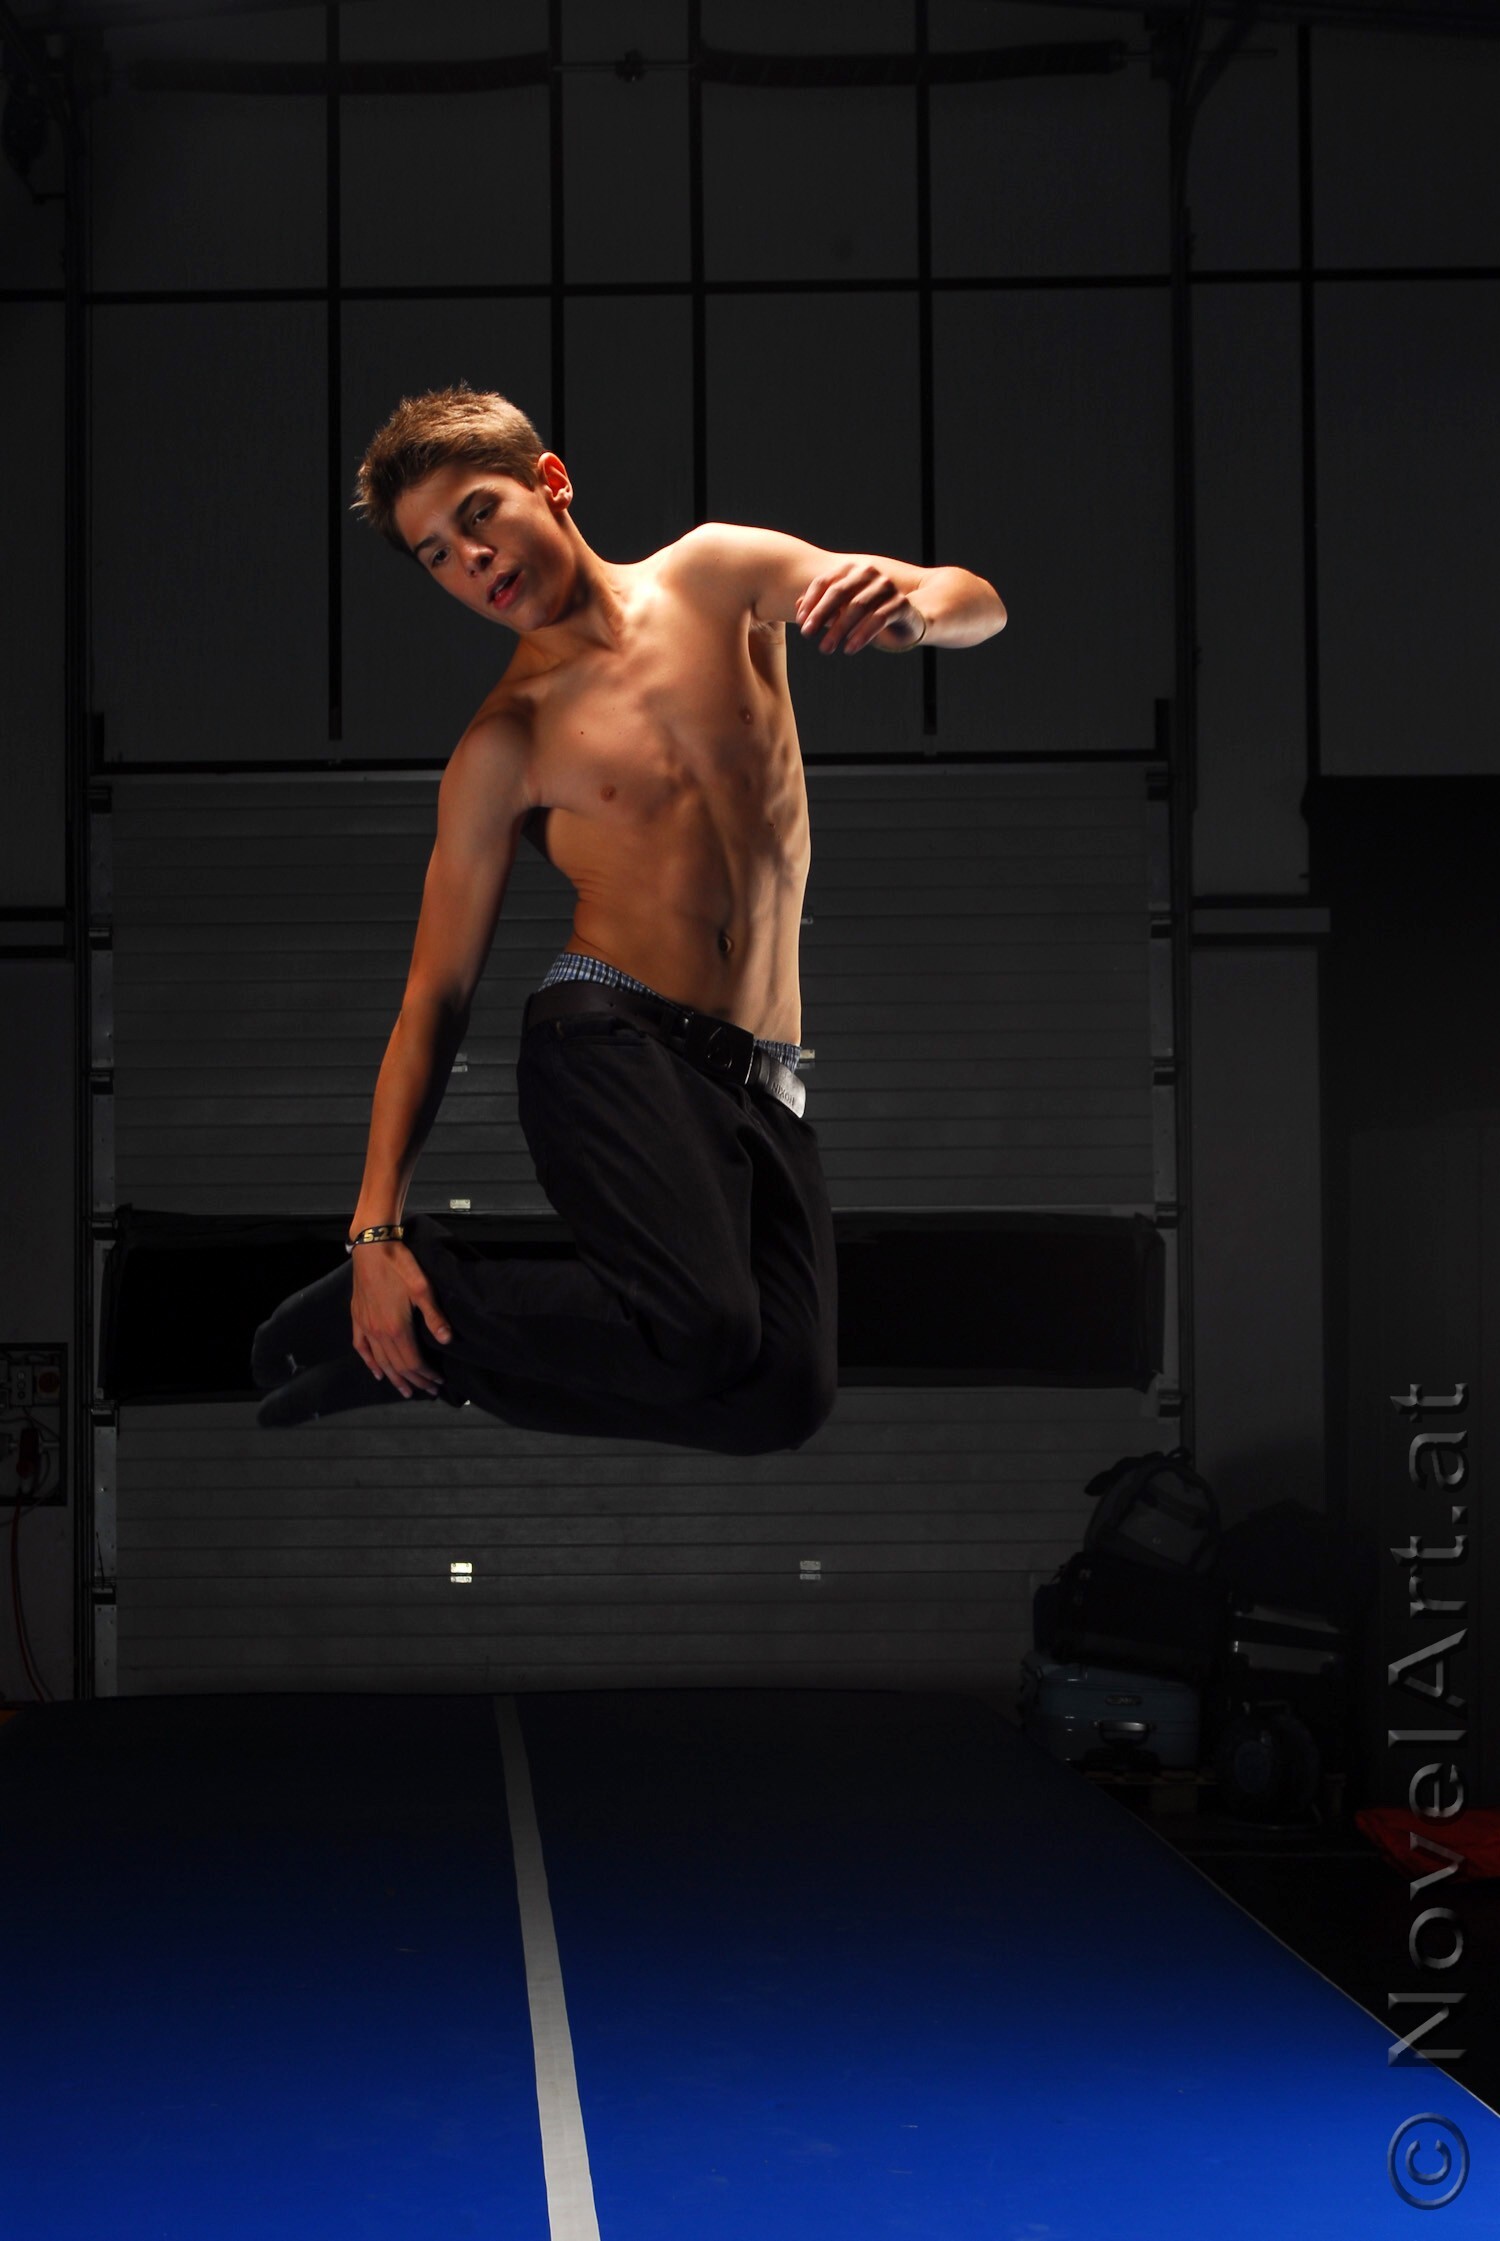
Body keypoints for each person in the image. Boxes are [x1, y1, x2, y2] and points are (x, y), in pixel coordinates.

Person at [252, 383, 1006, 1452]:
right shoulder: (506, 741)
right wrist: (375, 1233)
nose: (472, 559)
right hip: (613, 1041)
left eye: (478, 513)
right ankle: (419, 1298)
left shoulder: (715, 573)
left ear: (550, 483)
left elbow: (979, 600)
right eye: (437, 555)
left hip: (763, 1076)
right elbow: (435, 996)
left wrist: (914, 607)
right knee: (702, 1327)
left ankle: (442, 1356)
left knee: (783, 1399)